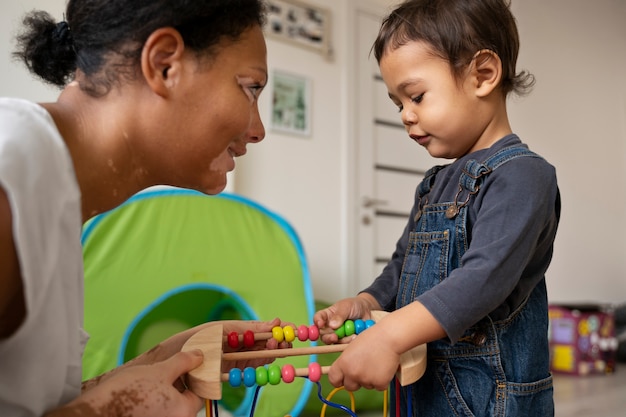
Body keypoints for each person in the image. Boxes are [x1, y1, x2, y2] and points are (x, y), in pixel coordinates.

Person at [0, 1, 290, 416]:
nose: (258, 130)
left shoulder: (54, 194)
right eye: (249, 87)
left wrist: (166, 359)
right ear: (164, 64)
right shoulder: (11, 167)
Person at [314, 0, 560, 415]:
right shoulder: (433, 185)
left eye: (416, 96)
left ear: (483, 75)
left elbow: (483, 279)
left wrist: (390, 336)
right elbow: (401, 268)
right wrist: (369, 302)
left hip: (489, 398)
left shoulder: (523, 176)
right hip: (421, 389)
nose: (406, 116)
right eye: (398, 104)